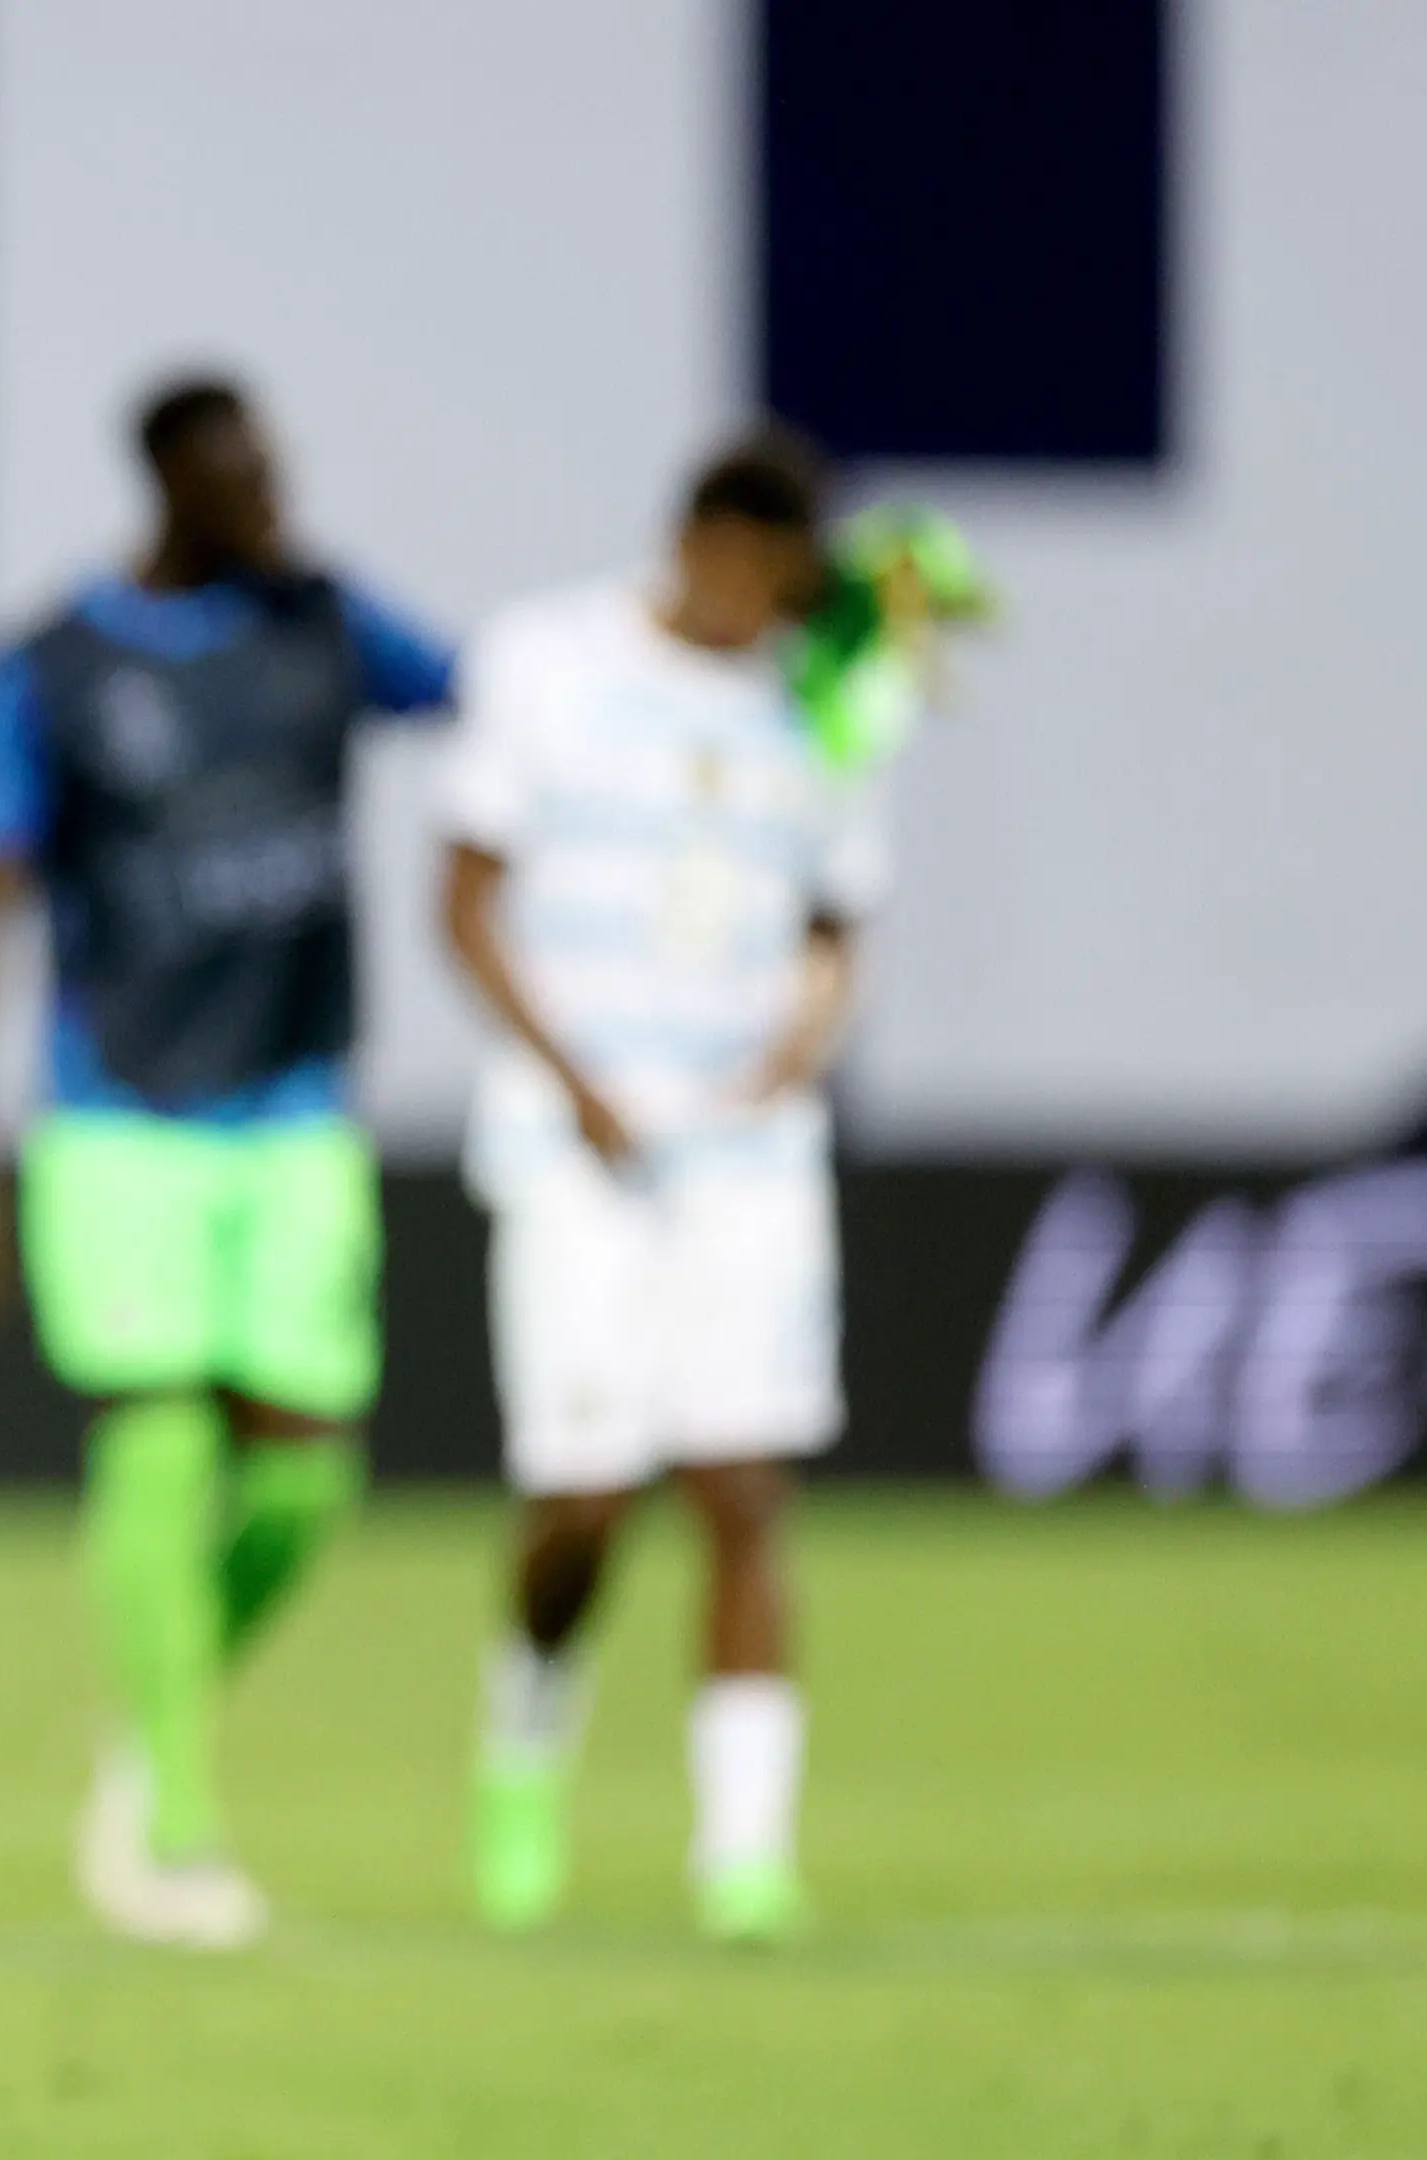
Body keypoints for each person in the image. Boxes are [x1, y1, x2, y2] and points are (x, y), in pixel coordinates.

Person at [0, 377, 453, 1948]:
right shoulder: (55, 667)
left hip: (292, 1108)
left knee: (300, 1474)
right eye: (248, 479)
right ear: (171, 484)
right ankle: (180, 1824)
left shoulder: (330, 626)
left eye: (281, 473)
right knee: (154, 1444)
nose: (276, 503)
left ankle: (148, 1723)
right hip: (117, 1111)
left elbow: (509, 697)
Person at [439, 426, 919, 1945]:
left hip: (747, 1160)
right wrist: (575, 1080)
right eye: (755, 573)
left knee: (743, 1488)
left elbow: (838, 919)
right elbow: (464, 901)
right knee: (583, 1501)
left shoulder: (825, 703)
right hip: (577, 1150)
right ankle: (525, 1735)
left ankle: (745, 1856)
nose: (768, 605)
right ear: (698, 544)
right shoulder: (547, 665)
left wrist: (806, 1034)